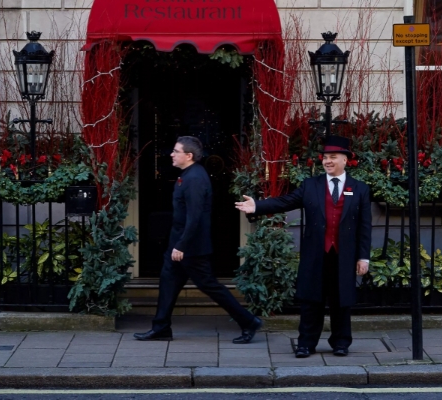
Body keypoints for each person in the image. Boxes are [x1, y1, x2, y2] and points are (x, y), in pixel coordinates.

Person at [235, 135, 371, 357]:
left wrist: (363, 257)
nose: (327, 161)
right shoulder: (311, 185)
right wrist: (257, 206)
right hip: (316, 253)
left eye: (333, 157)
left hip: (344, 255)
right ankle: (306, 343)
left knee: (341, 301)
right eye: (325, 157)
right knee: (311, 301)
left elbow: (365, 227)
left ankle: (340, 342)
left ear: (346, 160)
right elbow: (285, 202)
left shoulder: (360, 189)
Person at [134, 136, 263, 344]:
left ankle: (248, 321)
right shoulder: (188, 175)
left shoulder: (194, 179)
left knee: (210, 286)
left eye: (176, 151)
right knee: (168, 283)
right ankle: (161, 327)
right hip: (179, 244)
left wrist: (182, 246)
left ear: (189, 155)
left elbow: (195, 218)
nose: (171, 154)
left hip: (190, 248)